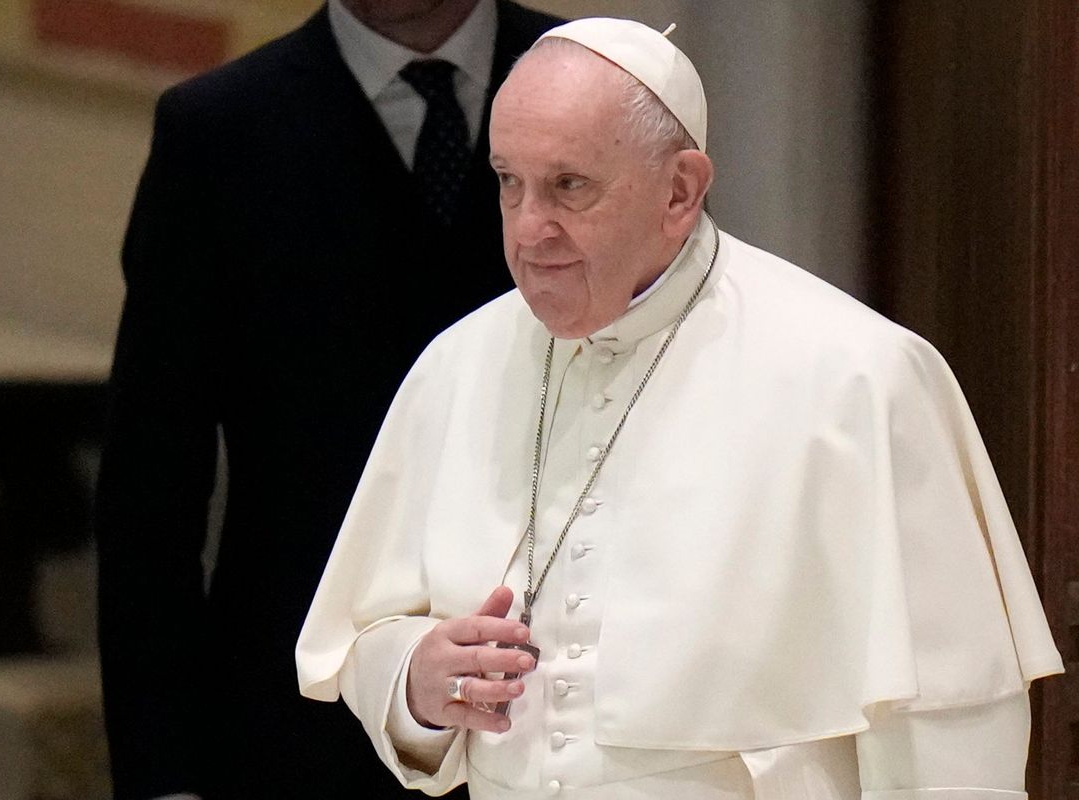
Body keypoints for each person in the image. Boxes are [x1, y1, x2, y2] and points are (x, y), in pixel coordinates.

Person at [296, 17, 1064, 799]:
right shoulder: (459, 364)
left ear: (679, 190)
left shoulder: (858, 378)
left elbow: (950, 731)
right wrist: (416, 683)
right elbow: (368, 638)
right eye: (508, 181)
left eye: (569, 186)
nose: (529, 230)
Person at [94, 1, 560, 798]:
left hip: (552, 698)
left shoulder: (592, 84)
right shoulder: (220, 130)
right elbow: (151, 489)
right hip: (293, 714)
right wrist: (164, 774)